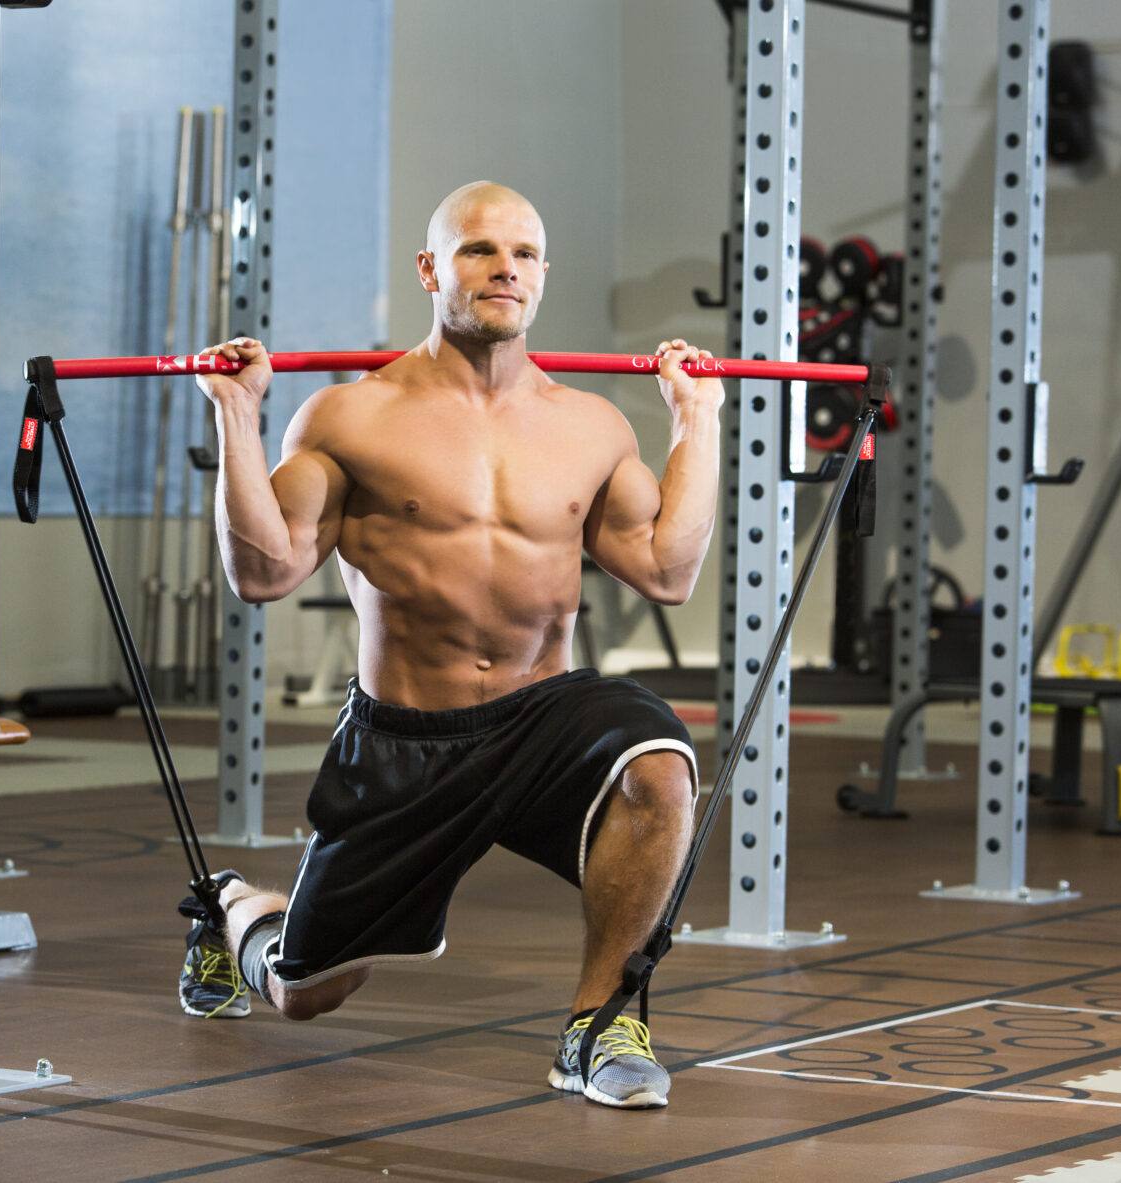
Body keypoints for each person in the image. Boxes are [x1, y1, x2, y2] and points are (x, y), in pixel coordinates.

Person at [177, 181, 722, 1110]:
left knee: (657, 760)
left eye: (521, 253)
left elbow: (667, 570)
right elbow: (264, 574)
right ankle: (235, 910)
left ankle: (600, 1023)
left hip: (542, 714)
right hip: (405, 739)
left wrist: (697, 421)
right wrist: (236, 415)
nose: (502, 266)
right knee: (306, 991)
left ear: (543, 276)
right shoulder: (351, 415)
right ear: (432, 269)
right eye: (476, 249)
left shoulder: (589, 424)